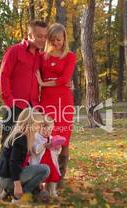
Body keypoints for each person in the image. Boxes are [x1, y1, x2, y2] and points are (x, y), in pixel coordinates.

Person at [0, 20, 47, 196]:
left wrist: (37, 106)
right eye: (39, 36)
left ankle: (25, 184)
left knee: (29, 145)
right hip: (15, 106)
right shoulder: (15, 51)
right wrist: (9, 101)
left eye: (44, 36)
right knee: (7, 143)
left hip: (31, 109)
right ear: (29, 35)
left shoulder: (40, 56)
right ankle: (0, 183)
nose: (42, 39)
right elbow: (4, 75)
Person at [36, 23, 76, 188]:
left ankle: (59, 178)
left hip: (63, 102)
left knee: (63, 140)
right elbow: (35, 73)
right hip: (46, 102)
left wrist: (43, 84)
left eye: (58, 40)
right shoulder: (42, 55)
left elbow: (64, 79)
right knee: (45, 138)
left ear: (64, 38)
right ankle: (45, 176)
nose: (55, 43)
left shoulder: (70, 56)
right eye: (52, 40)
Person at [0, 108, 50, 203]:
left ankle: (8, 191)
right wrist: (17, 185)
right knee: (45, 169)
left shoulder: (19, 135)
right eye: (37, 125)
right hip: (7, 179)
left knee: (38, 170)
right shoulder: (20, 139)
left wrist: (37, 181)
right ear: (28, 124)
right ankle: (17, 196)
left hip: (4, 177)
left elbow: (21, 162)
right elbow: (13, 163)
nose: (38, 128)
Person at [30, 115, 64, 198]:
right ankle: (39, 190)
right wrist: (44, 145)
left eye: (50, 130)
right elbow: (35, 150)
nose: (48, 133)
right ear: (39, 128)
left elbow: (57, 151)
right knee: (40, 177)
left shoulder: (51, 137)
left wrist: (57, 147)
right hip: (40, 161)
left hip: (50, 161)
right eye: (45, 130)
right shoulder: (35, 137)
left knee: (53, 176)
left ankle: (52, 191)